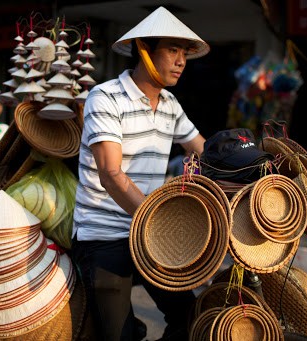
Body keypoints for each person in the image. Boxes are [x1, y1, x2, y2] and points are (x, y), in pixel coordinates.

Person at [71, 7, 209, 341]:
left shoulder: (171, 104)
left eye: (184, 53)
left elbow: (203, 152)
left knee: (193, 319)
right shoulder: (105, 97)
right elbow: (110, 173)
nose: (181, 61)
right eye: (172, 50)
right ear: (145, 52)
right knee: (121, 335)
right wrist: (155, 221)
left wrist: (247, 168)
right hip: (103, 236)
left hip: (147, 234)